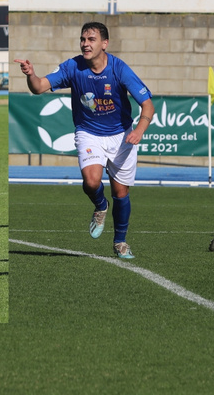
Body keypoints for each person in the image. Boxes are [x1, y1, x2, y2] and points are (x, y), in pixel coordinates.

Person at [14, 22, 155, 260]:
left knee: (121, 192)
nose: (85, 44)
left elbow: (148, 105)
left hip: (121, 134)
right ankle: (100, 206)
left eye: (91, 40)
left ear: (104, 44)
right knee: (91, 182)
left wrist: (139, 129)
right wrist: (31, 75)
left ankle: (120, 241)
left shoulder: (119, 69)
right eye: (82, 39)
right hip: (88, 132)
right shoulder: (73, 67)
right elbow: (38, 88)